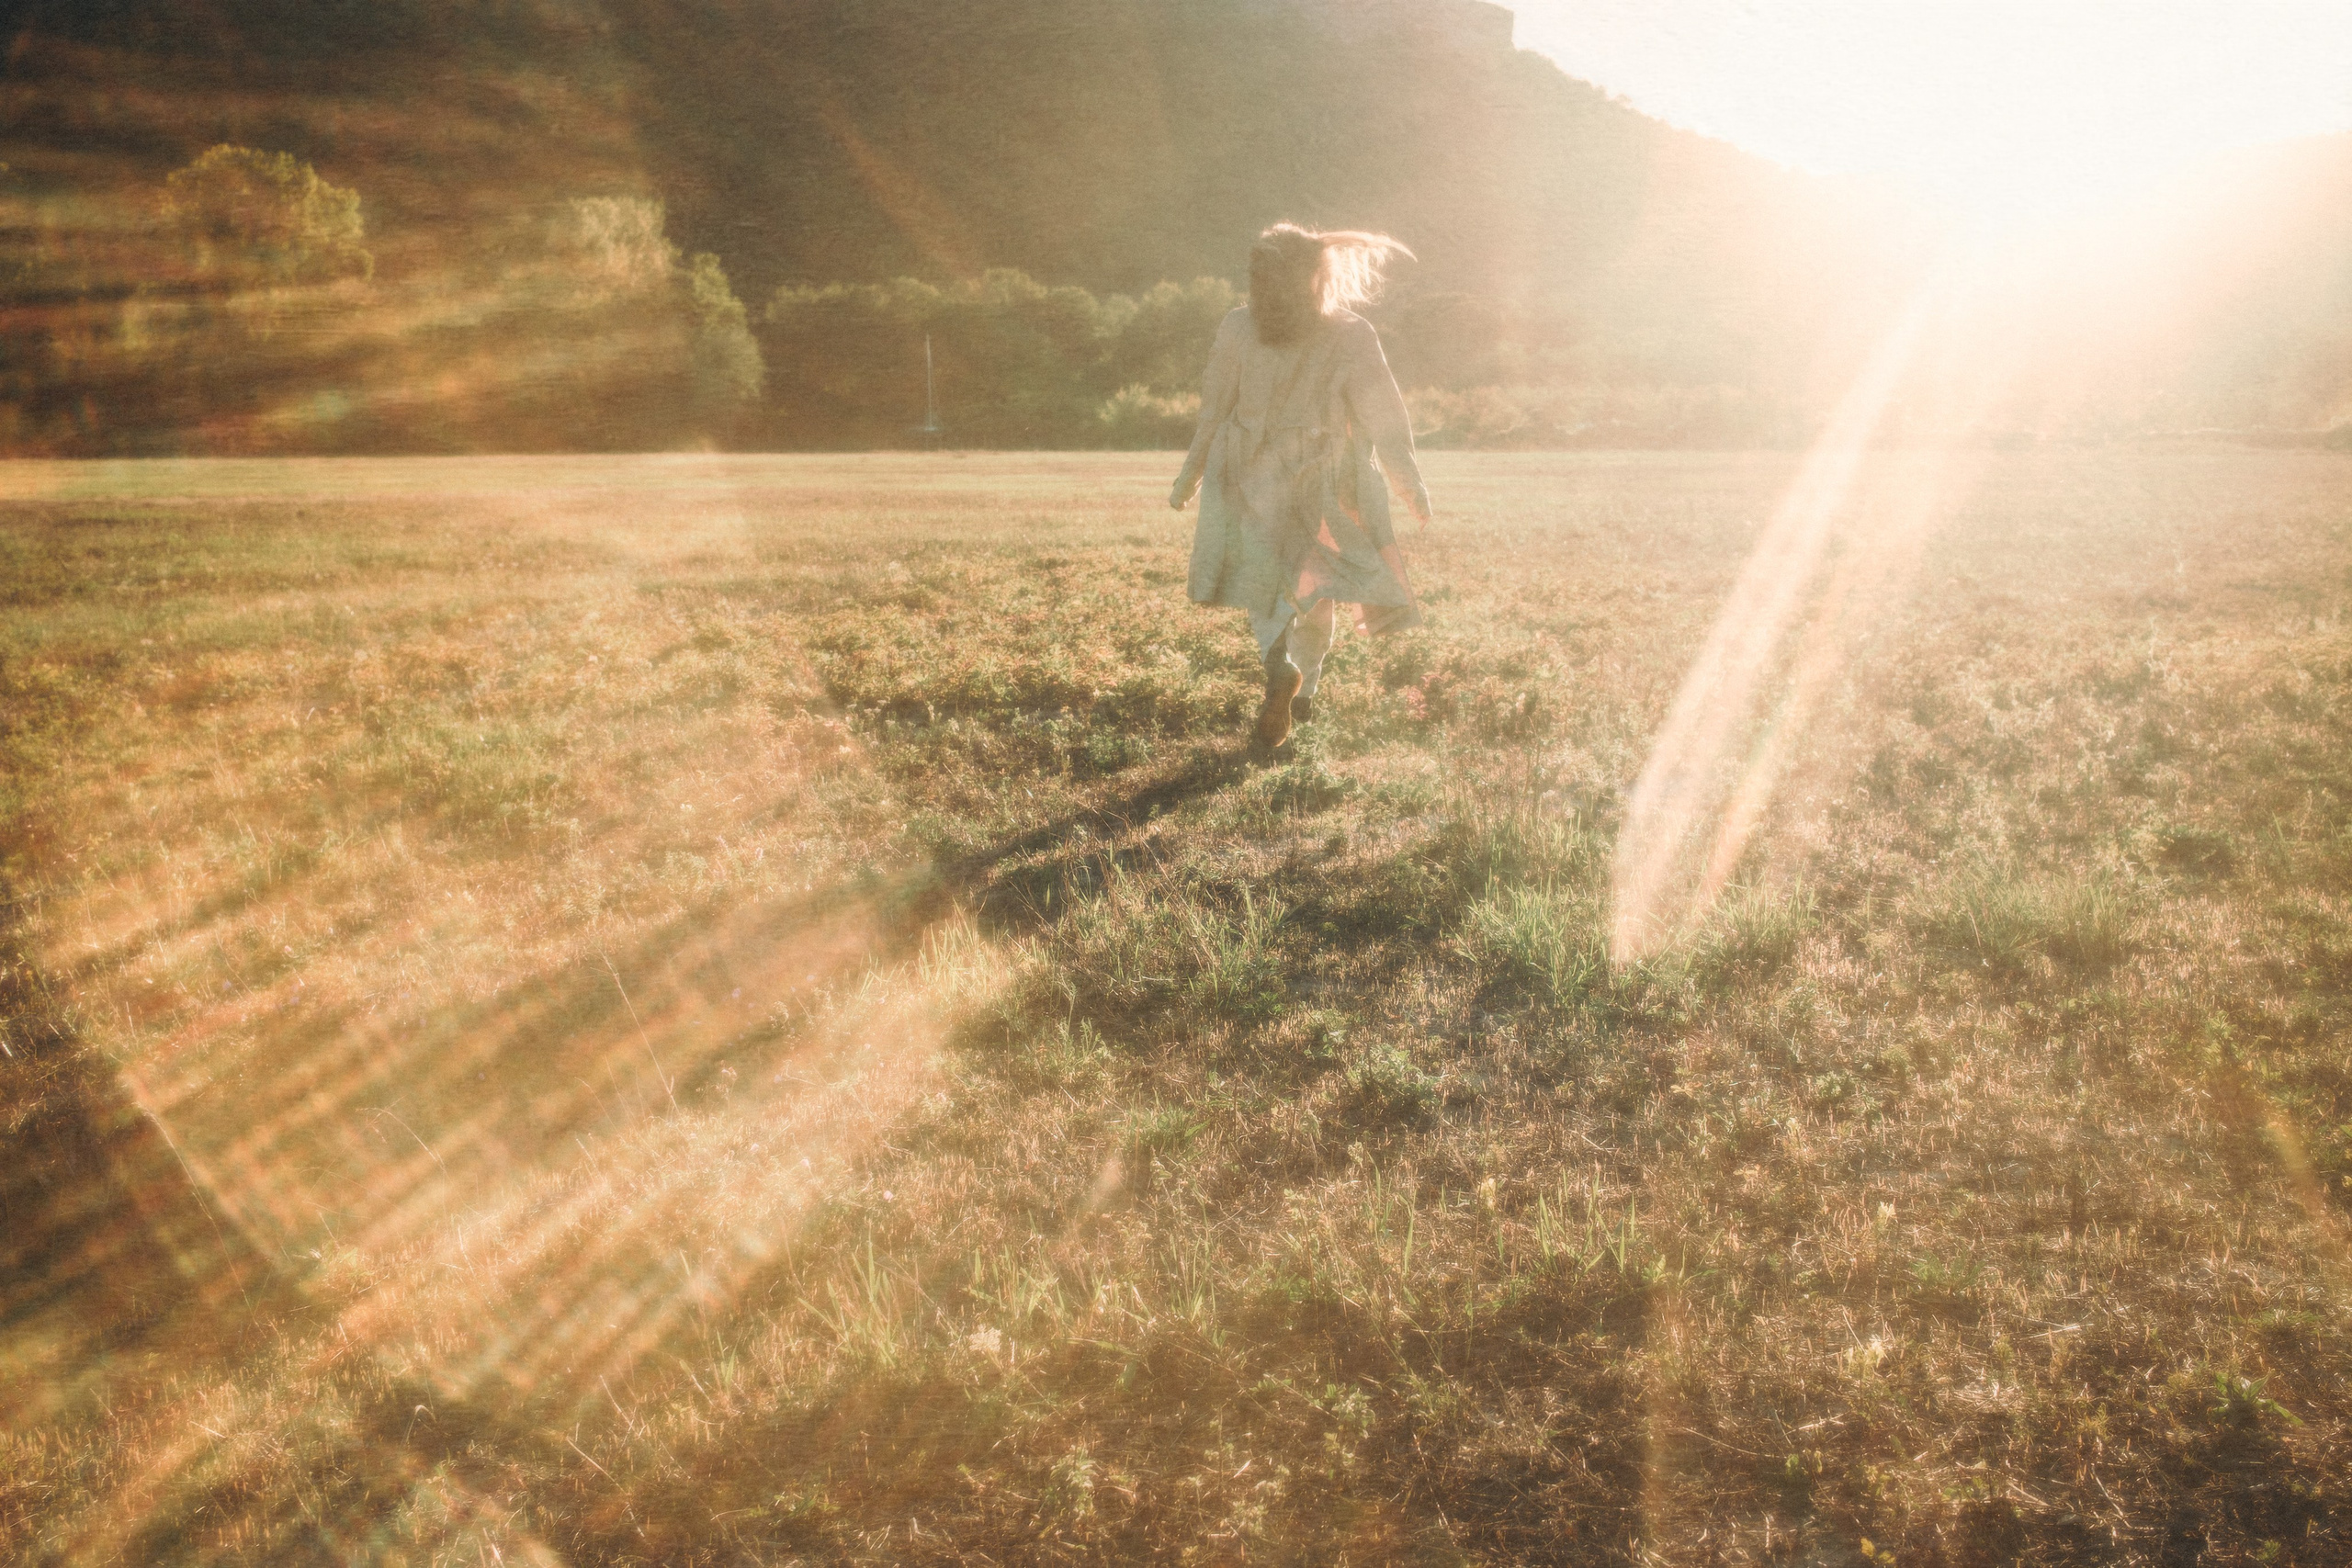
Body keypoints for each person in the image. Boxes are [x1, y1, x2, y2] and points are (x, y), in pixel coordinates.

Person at [1169, 223, 1430, 756]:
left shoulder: (1237, 327)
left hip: (1247, 474)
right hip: (1322, 475)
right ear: (1318, 274)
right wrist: (1410, 484)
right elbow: (1385, 417)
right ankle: (1304, 691)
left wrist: (1189, 475)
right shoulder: (1352, 331)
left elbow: (1213, 409)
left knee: (1264, 585)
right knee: (1317, 585)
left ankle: (1278, 666)